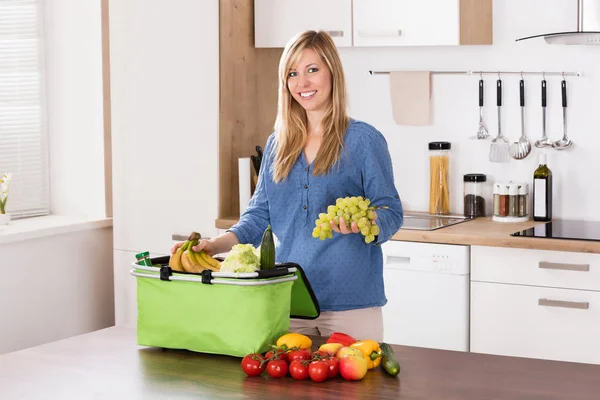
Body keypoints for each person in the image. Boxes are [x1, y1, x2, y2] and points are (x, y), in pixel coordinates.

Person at [172, 30, 403, 341]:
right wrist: (215, 245)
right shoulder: (278, 144)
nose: (302, 83)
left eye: (312, 70)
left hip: (352, 303)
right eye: (292, 74)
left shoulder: (363, 140)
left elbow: (390, 209)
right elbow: (258, 217)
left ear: (332, 72)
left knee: (356, 390)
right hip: (289, 298)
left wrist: (371, 221)